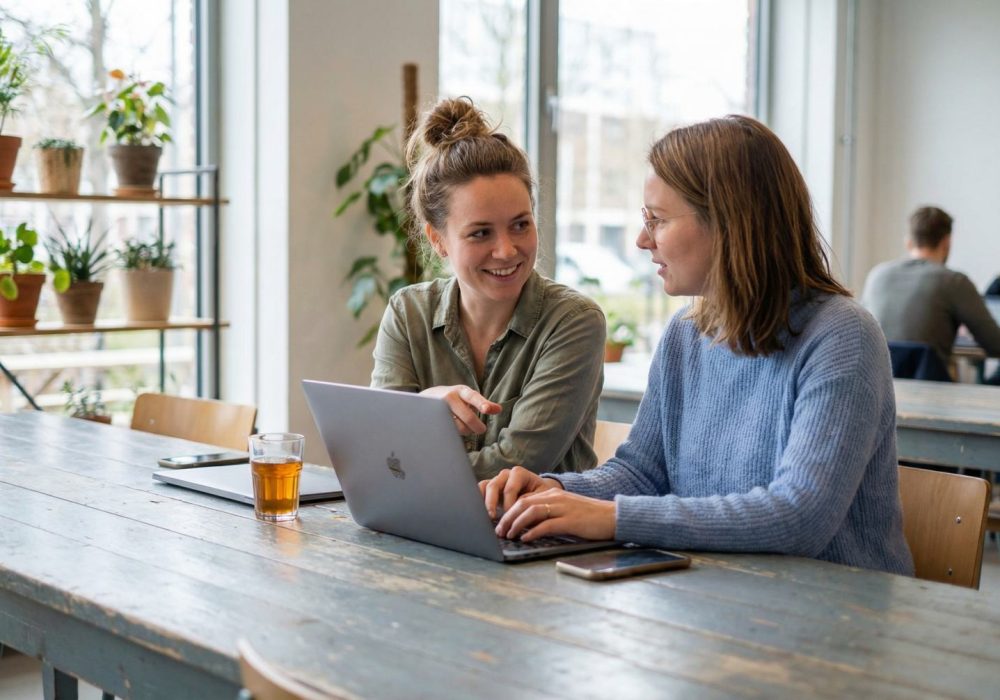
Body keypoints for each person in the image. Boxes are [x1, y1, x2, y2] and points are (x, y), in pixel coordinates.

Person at [482, 115, 914, 576]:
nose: (642, 239)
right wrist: (549, 493)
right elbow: (642, 474)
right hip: (723, 598)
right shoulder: (685, 334)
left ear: (729, 223)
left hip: (840, 617)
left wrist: (613, 519)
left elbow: (799, 516)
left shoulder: (843, 336)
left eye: (657, 219)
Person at [371, 97, 606, 480]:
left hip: (539, 536)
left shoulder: (574, 322)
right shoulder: (407, 312)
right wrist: (424, 408)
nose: (507, 250)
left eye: (520, 225)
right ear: (438, 240)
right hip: (422, 527)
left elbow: (515, 466)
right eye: (481, 232)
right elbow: (376, 443)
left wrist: (405, 461)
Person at [861, 206, 1000, 366]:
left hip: (879, 385)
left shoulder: (877, 275)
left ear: (908, 242)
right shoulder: (955, 281)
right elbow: (995, 344)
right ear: (946, 242)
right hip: (930, 388)